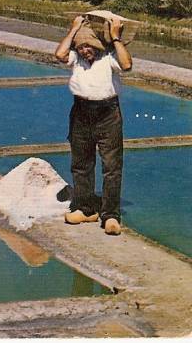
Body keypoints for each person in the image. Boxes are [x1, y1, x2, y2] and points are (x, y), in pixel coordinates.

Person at [54, 15, 132, 235]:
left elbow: (127, 65)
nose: (84, 51)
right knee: (81, 164)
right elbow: (60, 54)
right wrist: (74, 29)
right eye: (80, 47)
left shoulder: (109, 58)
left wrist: (115, 38)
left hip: (108, 113)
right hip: (80, 112)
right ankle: (86, 208)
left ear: (97, 45)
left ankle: (110, 215)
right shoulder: (76, 59)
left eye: (88, 46)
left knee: (111, 167)